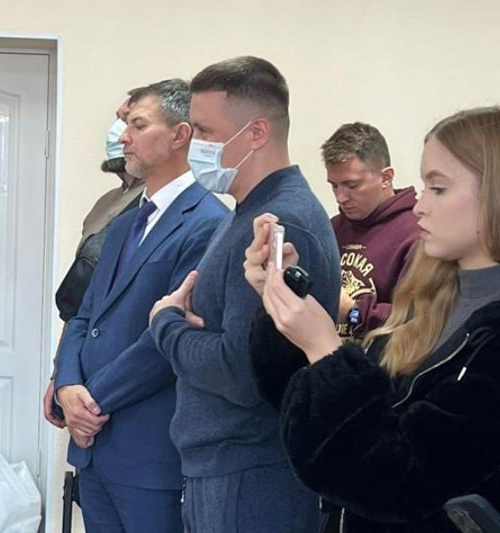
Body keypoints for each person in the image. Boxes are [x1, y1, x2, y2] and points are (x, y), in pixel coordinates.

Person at [244, 106, 500, 532]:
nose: (419, 207)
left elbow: (399, 482)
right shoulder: (431, 298)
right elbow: (310, 414)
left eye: (438, 188)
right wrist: (281, 310)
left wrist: (326, 351)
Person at [148, 57, 340, 532]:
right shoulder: (247, 212)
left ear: (256, 133)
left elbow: (239, 372)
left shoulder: (279, 223)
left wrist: (166, 324)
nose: (193, 145)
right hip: (226, 469)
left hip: (250, 476)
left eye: (205, 132)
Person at [53, 79, 228, 532]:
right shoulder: (125, 222)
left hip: (148, 450)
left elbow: (168, 338)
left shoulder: (209, 224)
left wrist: (90, 402)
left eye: (138, 125)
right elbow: (85, 315)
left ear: (180, 135)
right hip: (95, 446)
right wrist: (67, 384)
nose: (124, 137)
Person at [44, 101, 145, 429]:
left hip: (122, 372)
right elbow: (81, 301)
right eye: (118, 121)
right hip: (81, 353)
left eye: (130, 122)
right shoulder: (107, 203)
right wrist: (61, 374)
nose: (120, 134)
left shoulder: (154, 206)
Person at [322, 122, 419, 339]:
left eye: (352, 185)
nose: (340, 197)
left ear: (386, 178)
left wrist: (353, 312)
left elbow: (419, 322)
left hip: (383, 356)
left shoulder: (416, 234)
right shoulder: (333, 228)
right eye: (334, 185)